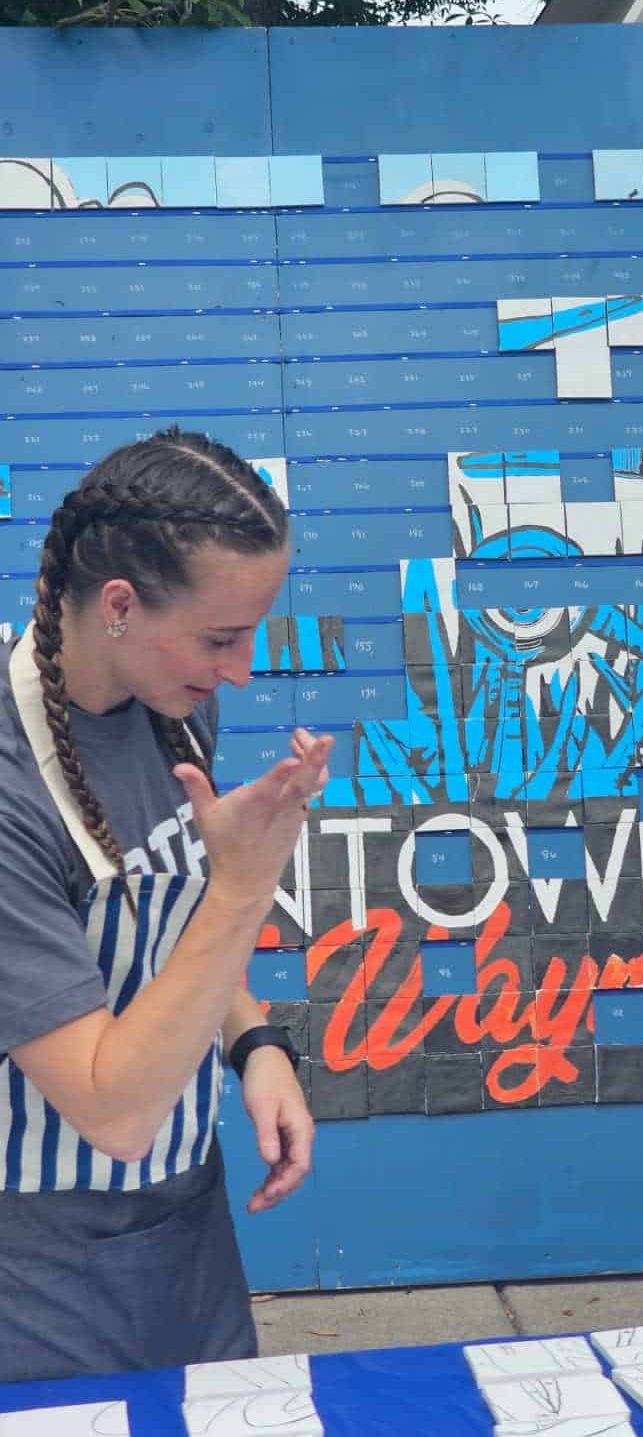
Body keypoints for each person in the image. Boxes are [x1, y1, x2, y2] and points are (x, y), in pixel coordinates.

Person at [0, 426, 331, 1381]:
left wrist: (254, 1044)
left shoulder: (174, 707)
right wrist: (247, 882)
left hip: (188, 1223)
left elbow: (174, 921)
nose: (242, 669)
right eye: (221, 638)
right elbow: (114, 1112)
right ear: (118, 605)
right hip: (36, 1264)